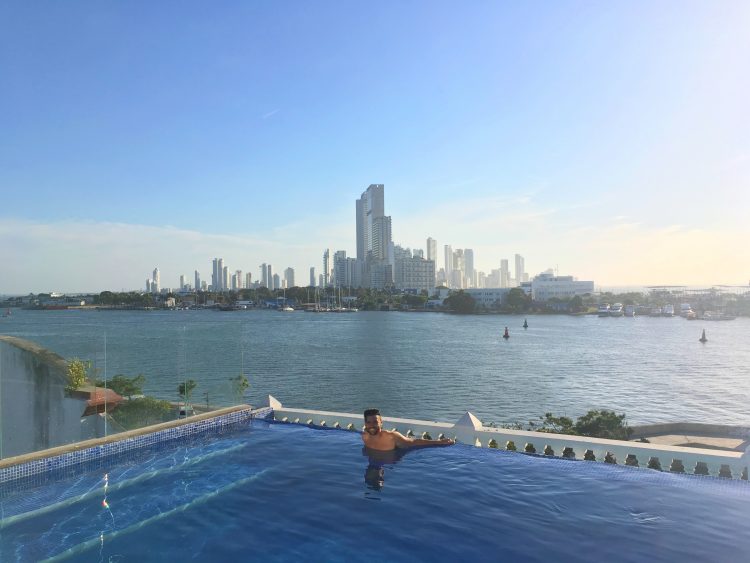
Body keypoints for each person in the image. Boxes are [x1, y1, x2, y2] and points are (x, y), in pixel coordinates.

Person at [361, 408, 455, 451]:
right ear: (365, 424)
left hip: (390, 464)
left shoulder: (392, 436)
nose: (371, 425)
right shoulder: (364, 436)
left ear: (381, 423)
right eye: (368, 422)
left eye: (375, 422)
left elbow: (413, 442)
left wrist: (439, 442)